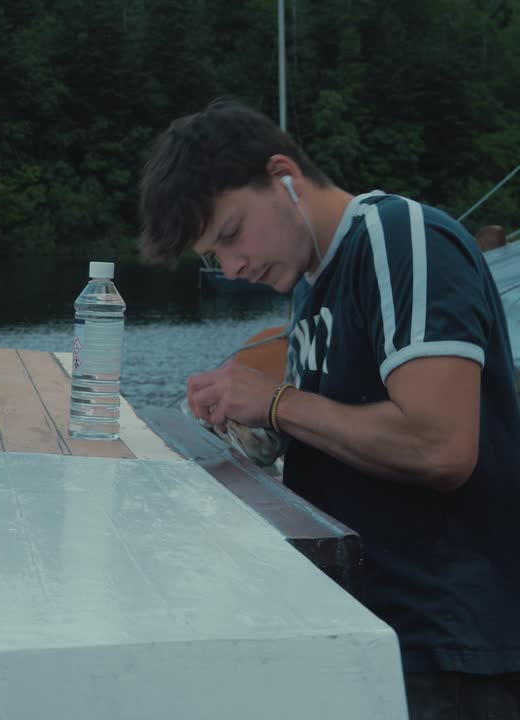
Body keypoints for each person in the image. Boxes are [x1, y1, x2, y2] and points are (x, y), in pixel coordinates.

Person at [135, 99, 520, 719]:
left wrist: (279, 404)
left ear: (283, 176)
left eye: (231, 233)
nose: (232, 267)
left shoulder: (402, 238)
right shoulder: (313, 288)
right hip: (369, 635)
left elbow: (441, 446)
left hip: (443, 650)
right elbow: (346, 424)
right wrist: (257, 429)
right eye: (214, 255)